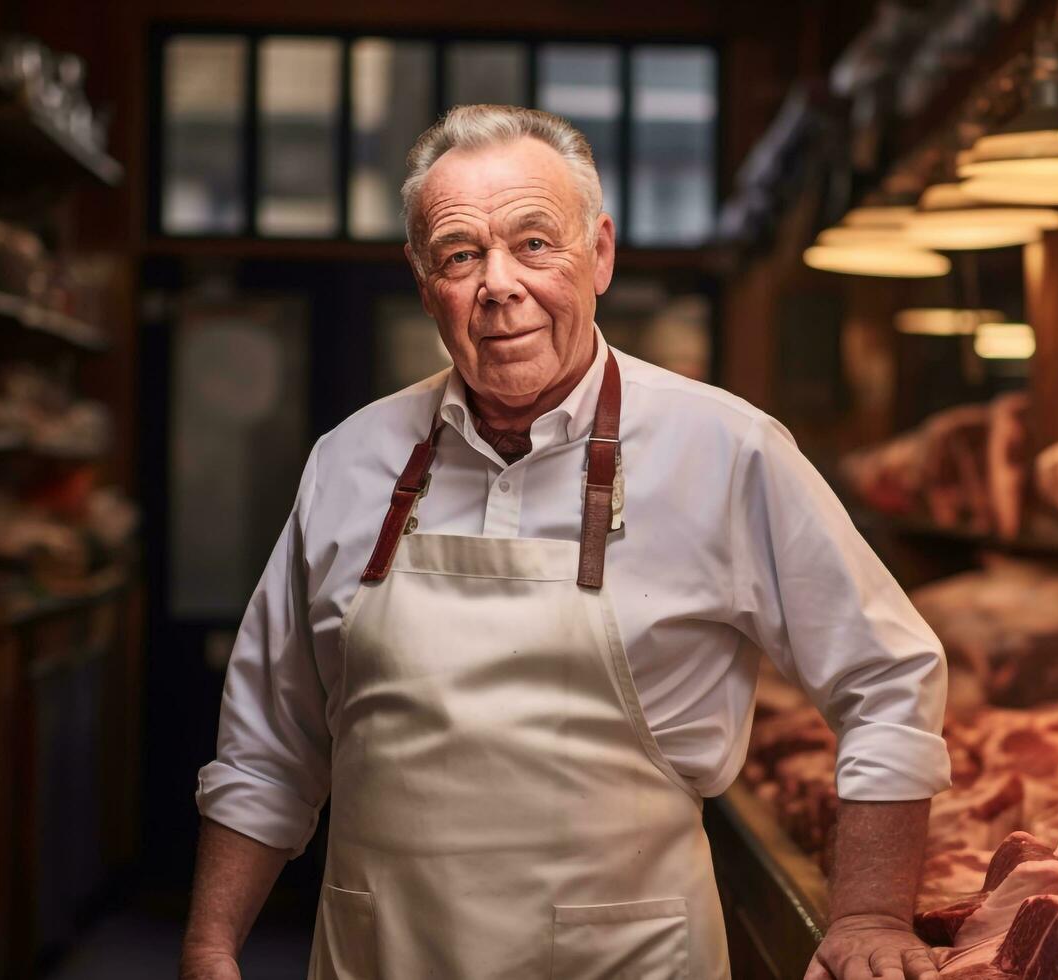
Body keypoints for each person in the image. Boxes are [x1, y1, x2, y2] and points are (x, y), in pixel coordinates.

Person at [180, 104, 950, 980]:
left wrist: (870, 915)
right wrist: (209, 945)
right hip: (383, 953)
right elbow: (268, 747)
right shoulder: (348, 461)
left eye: (534, 244)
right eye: (460, 255)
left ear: (601, 254)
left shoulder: (727, 450)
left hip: (627, 959)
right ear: (423, 280)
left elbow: (887, 675)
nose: (498, 285)